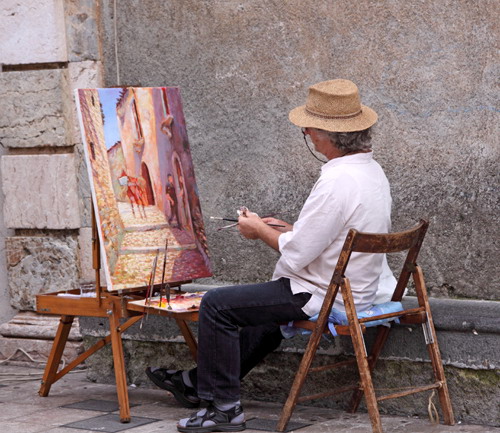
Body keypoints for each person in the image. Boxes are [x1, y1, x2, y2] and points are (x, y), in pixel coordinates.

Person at [146, 79, 395, 433]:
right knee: (259, 311)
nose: (307, 134)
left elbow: (297, 254)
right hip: (356, 285)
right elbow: (333, 236)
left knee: (217, 304)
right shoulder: (371, 172)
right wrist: (289, 228)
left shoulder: (337, 181)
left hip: (325, 293)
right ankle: (196, 383)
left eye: (309, 129)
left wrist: (259, 230)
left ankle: (224, 409)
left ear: (325, 135)